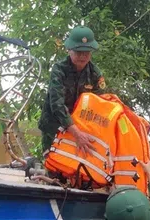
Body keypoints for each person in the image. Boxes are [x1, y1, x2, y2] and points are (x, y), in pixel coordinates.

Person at [38, 25, 106, 156]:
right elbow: (57, 104)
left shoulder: (95, 74)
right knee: (54, 167)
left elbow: (99, 106)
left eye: (86, 52)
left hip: (82, 130)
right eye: (78, 52)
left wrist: (86, 133)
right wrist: (75, 132)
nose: (83, 56)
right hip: (54, 128)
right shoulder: (59, 69)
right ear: (69, 50)